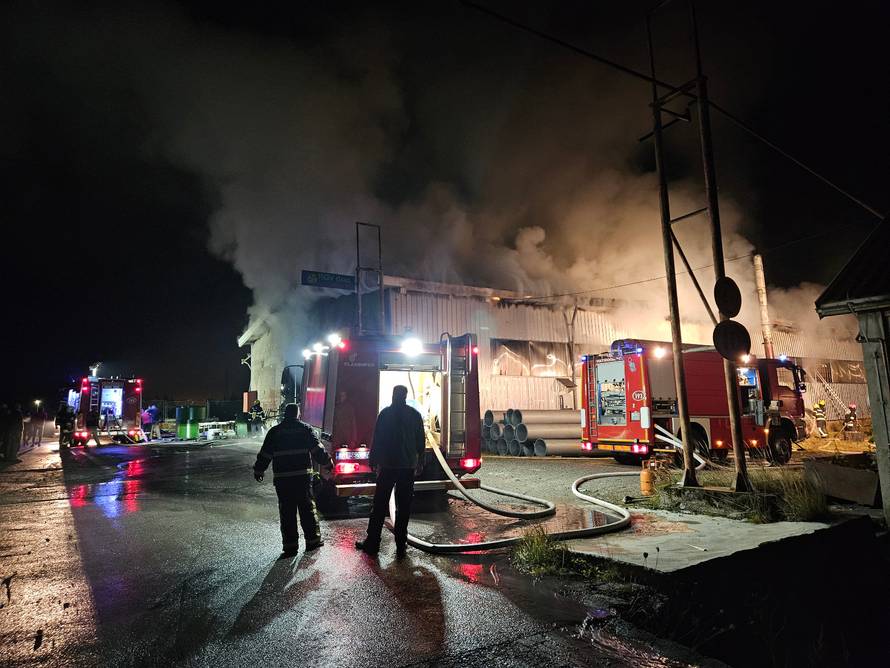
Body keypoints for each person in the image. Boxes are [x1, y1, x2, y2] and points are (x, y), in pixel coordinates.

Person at [253, 403, 332, 557]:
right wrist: (328, 462)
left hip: (283, 481)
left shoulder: (275, 432)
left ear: (285, 414)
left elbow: (265, 454)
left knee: (287, 512)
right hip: (302, 479)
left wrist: (259, 470)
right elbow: (317, 450)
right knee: (307, 510)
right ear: (298, 414)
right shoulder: (305, 429)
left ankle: (290, 547)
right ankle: (312, 542)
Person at [356, 385, 426, 559]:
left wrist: (373, 460)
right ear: (405, 396)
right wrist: (420, 462)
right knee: (403, 508)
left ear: (394, 395)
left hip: (388, 466)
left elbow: (377, 439)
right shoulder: (415, 415)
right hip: (407, 468)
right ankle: (401, 545)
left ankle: (372, 544)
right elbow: (420, 441)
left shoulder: (385, 414)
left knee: (379, 505)